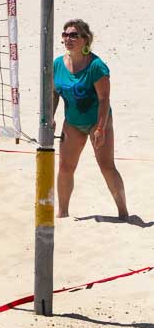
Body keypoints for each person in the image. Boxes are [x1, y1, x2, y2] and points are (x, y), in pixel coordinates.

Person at [52, 19, 129, 219]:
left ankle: (123, 212)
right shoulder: (58, 64)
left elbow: (104, 99)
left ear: (85, 40)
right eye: (65, 34)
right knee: (65, 167)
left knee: (106, 166)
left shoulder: (96, 66)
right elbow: (53, 94)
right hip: (73, 123)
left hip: (97, 121)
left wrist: (101, 129)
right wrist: (49, 117)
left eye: (73, 35)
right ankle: (63, 213)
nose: (68, 38)